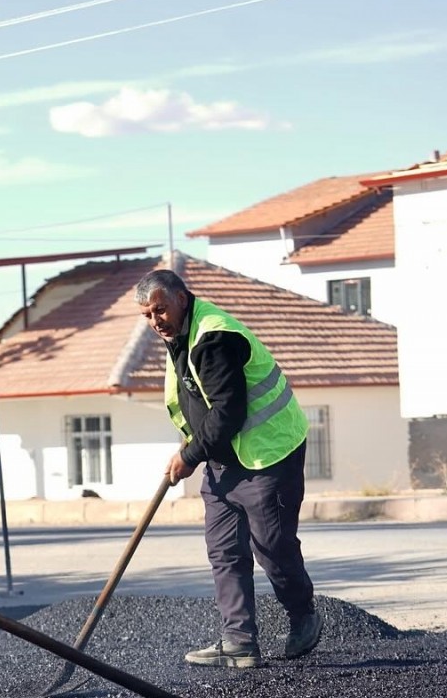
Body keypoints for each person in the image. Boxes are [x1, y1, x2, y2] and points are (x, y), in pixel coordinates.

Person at [135, 268, 320, 669]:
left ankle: (303, 614)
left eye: (159, 310)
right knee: (224, 551)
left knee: (271, 547)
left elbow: (228, 412)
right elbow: (197, 401)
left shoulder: (214, 338)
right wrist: (194, 446)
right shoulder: (179, 337)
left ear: (181, 298)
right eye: (147, 315)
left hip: (268, 454)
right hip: (223, 458)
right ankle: (239, 642)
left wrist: (189, 455)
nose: (155, 321)